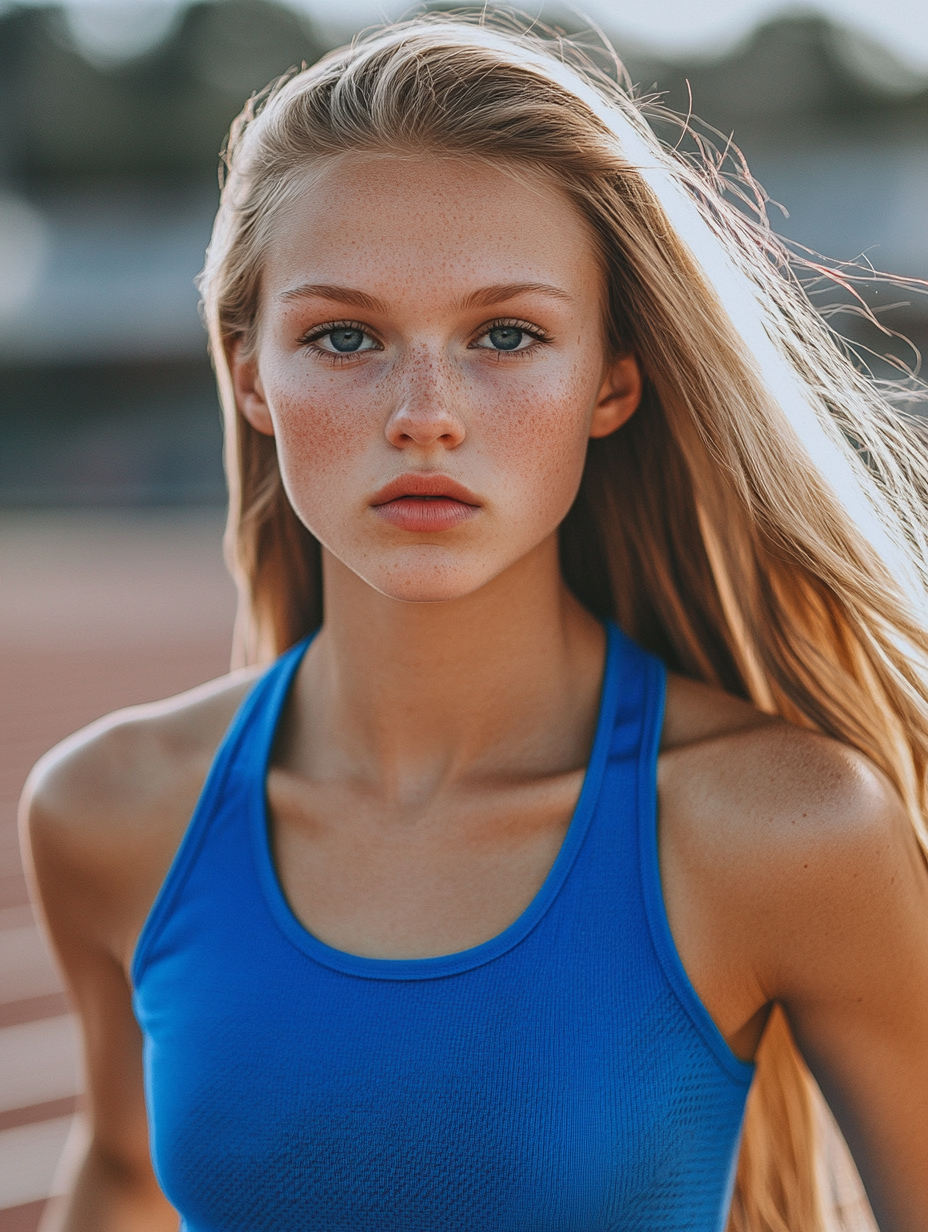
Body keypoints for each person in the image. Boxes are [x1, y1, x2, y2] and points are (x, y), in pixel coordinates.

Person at [20, 14, 928, 1232]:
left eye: (506, 334)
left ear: (612, 379)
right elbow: (123, 1177)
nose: (425, 414)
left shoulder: (782, 824)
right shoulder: (110, 807)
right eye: (344, 336)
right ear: (248, 371)